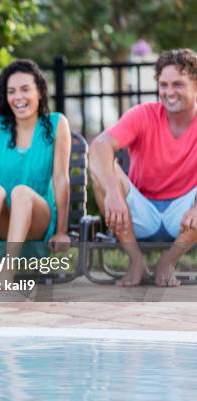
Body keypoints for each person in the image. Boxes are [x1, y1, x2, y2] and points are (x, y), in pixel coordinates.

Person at [89, 49, 197, 287]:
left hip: (185, 217)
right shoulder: (143, 115)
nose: (169, 92)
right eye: (164, 84)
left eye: (178, 84)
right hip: (139, 214)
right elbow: (98, 146)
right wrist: (113, 193)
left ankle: (168, 262)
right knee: (102, 171)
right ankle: (136, 260)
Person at [0, 59, 72, 283]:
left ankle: (7, 274)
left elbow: (61, 179)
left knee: (21, 192)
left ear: (39, 92)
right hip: (4, 219)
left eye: (25, 89)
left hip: (39, 218)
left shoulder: (56, 124)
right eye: (11, 91)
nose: (18, 97)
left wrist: (62, 230)